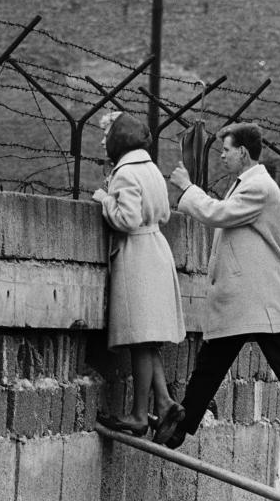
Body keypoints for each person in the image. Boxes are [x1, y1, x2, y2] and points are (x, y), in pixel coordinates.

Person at [157, 122, 280, 459]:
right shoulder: (246, 185)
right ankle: (180, 430)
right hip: (242, 297)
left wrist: (187, 188)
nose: (221, 155)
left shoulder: (259, 188)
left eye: (226, 150)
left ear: (244, 153)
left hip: (257, 297)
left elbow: (217, 214)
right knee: (210, 365)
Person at [92, 111, 186, 437]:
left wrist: (105, 199)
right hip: (157, 249)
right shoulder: (152, 170)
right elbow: (164, 213)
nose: (103, 142)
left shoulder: (125, 174)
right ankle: (164, 403)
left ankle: (138, 415)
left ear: (120, 137)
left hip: (138, 256)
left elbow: (127, 220)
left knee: (140, 339)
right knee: (147, 340)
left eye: (106, 135)